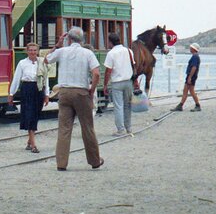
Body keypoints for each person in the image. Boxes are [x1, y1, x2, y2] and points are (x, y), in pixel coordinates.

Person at [45, 26, 103, 171]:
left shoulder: (62, 51)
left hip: (64, 92)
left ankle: (61, 163)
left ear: (68, 39)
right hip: (81, 92)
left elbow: (46, 60)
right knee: (87, 128)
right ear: (82, 39)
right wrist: (92, 90)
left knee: (64, 129)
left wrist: (57, 45)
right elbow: (96, 74)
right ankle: (94, 161)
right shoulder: (87, 53)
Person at [10, 42, 48, 152]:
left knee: (35, 114)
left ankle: (29, 141)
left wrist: (46, 95)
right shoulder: (22, 63)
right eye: (30, 50)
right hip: (27, 88)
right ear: (27, 51)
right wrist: (11, 93)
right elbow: (16, 78)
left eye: (34, 50)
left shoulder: (42, 63)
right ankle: (33, 145)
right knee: (29, 114)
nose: (32, 52)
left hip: (39, 89)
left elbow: (45, 79)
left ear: (38, 51)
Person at [103, 32, 135, 136]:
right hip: (129, 82)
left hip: (117, 83)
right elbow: (133, 66)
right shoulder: (129, 51)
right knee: (128, 106)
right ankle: (129, 128)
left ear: (111, 42)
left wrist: (105, 85)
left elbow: (108, 71)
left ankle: (120, 129)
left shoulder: (111, 53)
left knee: (118, 106)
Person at [172, 43, 202, 111]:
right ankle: (181, 105)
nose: (190, 48)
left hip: (191, 76)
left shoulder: (195, 57)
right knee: (188, 91)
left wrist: (190, 77)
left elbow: (194, 67)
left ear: (194, 49)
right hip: (192, 76)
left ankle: (196, 105)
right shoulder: (196, 56)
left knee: (189, 91)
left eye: (191, 47)